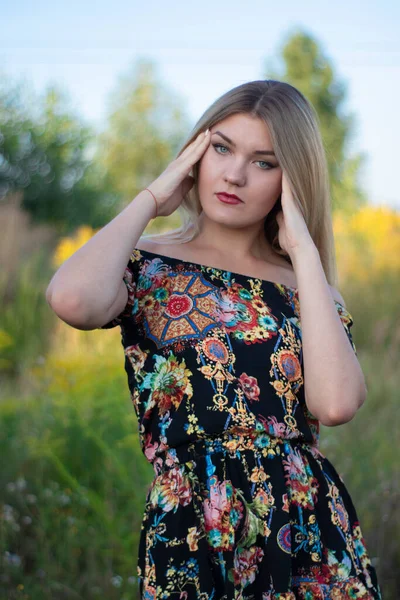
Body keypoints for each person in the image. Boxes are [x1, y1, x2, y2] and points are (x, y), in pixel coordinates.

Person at [46, 79, 382, 599]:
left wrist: (304, 253)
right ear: (196, 154)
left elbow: (335, 404)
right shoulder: (148, 266)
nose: (235, 174)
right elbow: (72, 301)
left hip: (307, 523)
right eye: (221, 148)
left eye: (265, 162)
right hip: (192, 523)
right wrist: (154, 197)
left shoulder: (309, 288)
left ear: (291, 180)